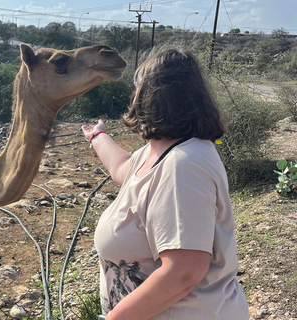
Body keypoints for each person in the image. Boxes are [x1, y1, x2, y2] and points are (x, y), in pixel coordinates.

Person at [81, 48, 249, 320]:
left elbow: (184, 271)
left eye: (137, 89)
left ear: (150, 98)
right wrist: (97, 136)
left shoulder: (184, 165)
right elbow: (122, 168)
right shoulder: (161, 152)